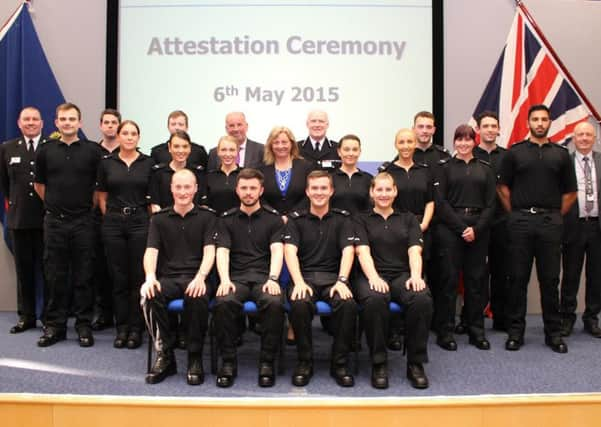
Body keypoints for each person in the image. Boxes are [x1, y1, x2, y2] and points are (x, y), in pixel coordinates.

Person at [498, 104, 577, 353]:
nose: (540, 123)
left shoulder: (561, 154)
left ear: (549, 122)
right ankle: (515, 333)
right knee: (518, 279)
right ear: (528, 122)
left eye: (544, 119)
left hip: (550, 224)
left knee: (550, 280)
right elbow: (502, 188)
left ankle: (553, 334)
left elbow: (570, 193)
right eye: (535, 119)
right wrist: (518, 213)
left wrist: (553, 215)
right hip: (520, 222)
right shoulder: (515, 153)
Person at [354, 172, 433, 389]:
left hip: (402, 275)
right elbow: (362, 253)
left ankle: (415, 363)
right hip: (371, 274)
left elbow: (414, 251)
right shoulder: (360, 219)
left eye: (388, 189)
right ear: (371, 192)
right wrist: (374, 277)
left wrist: (416, 276)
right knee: (375, 299)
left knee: (421, 298)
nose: (384, 194)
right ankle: (379, 363)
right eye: (379, 189)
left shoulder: (408, 219)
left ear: (395, 191)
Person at [34, 102, 103, 347]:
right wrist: (57, 206)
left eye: (72, 119)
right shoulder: (45, 150)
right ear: (56, 122)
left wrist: (83, 208)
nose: (68, 123)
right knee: (55, 275)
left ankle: (83, 325)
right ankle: (55, 326)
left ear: (80, 122)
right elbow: (40, 186)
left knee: (84, 275)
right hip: (54, 222)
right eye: (63, 119)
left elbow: (98, 189)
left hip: (83, 222)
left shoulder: (93, 151)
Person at [142, 169, 216, 385]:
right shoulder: (159, 219)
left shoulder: (208, 217)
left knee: (196, 297)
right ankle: (165, 355)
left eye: (187, 187)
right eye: (178, 187)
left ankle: (194, 358)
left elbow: (210, 251)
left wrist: (201, 277)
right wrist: (149, 277)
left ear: (195, 189)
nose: (183, 192)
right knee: (149, 294)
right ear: (171, 189)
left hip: (197, 277)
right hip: (169, 277)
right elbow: (151, 252)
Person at [213, 168, 285, 388]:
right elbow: (222, 251)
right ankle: (228, 362)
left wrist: (273, 279)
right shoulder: (225, 219)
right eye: (244, 188)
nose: (248, 192)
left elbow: (277, 251)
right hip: (237, 278)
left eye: (253, 188)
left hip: (264, 278)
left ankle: (267, 363)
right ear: (237, 190)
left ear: (261, 190)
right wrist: (225, 280)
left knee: (274, 303)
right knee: (224, 302)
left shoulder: (274, 220)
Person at [284, 170, 357, 387]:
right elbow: (290, 252)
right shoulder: (296, 220)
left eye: (323, 188)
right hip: (304, 278)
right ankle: (304, 361)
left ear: (331, 191)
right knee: (299, 304)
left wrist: (342, 281)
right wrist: (298, 282)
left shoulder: (343, 219)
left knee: (348, 304)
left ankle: (340, 364)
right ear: (307, 191)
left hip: (333, 279)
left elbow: (348, 251)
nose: (319, 192)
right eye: (314, 188)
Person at [434, 124, 496, 351]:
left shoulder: (485, 168)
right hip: (451, 229)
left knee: (476, 282)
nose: (463, 144)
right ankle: (446, 332)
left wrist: (476, 229)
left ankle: (476, 330)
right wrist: (461, 228)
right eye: (459, 140)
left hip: (478, 229)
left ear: (474, 141)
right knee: (448, 282)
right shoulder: (445, 167)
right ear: (454, 142)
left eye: (468, 140)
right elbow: (441, 203)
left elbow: (491, 204)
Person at [96, 120, 155, 349]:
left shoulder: (148, 163)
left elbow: (151, 198)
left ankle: (136, 329)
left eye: (134, 134)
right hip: (113, 222)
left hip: (140, 222)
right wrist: (111, 216)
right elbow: (101, 195)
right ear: (118, 137)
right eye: (125, 133)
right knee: (118, 277)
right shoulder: (107, 163)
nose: (129, 137)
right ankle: (121, 329)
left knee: (137, 277)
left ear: (138, 138)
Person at [380, 128, 435, 349]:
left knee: (416, 277)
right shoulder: (388, 171)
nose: (405, 145)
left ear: (415, 144)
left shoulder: (425, 170)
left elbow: (431, 201)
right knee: (394, 275)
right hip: (394, 228)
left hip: (421, 227)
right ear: (396, 144)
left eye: (409, 141)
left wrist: (423, 224)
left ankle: (412, 329)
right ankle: (393, 331)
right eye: (401, 141)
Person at [0, 106, 48, 333]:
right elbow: (4, 185)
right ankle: (26, 316)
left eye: (35, 119)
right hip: (19, 220)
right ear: (19, 123)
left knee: (48, 270)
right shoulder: (8, 148)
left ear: (42, 123)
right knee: (24, 270)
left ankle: (48, 315)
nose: (31, 122)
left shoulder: (51, 148)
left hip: (46, 219)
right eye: (26, 119)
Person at [560, 122, 601, 338]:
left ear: (594, 138)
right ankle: (567, 318)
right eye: (580, 135)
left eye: (588, 134)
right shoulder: (564, 162)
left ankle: (591, 318)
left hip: (596, 226)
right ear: (573, 138)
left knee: (596, 275)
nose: (584, 138)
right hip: (573, 225)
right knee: (571, 274)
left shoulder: (600, 160)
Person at [473, 111, 509, 332]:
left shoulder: (507, 157)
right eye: (485, 126)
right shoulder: (469, 155)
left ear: (498, 129)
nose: (489, 130)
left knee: (501, 270)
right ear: (478, 130)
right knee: (475, 273)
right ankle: (473, 319)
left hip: (502, 222)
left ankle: (500, 317)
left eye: (493, 126)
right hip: (476, 222)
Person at [91, 108, 122, 332]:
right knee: (101, 266)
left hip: (123, 218)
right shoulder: (92, 151)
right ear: (101, 125)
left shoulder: (128, 150)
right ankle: (103, 312)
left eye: (114, 122)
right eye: (107, 122)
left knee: (120, 269)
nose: (110, 126)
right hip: (97, 217)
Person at [260, 126, 314, 216]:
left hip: (300, 219)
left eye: (284, 142)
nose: (280, 146)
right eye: (276, 143)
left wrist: (293, 215)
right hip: (271, 221)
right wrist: (275, 216)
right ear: (270, 146)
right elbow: (260, 197)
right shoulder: (262, 170)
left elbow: (310, 194)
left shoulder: (306, 167)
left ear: (292, 144)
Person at [149, 130, 204, 213]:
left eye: (185, 146)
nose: (181, 151)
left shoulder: (198, 173)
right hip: (165, 222)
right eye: (176, 146)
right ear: (169, 147)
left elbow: (202, 204)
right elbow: (155, 206)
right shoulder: (158, 173)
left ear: (190, 148)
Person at [330, 134, 372, 215]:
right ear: (339, 152)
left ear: (360, 152)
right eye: (346, 149)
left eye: (355, 149)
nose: (351, 153)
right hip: (336, 226)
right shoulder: (329, 178)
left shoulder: (368, 179)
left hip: (361, 226)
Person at [200, 135, 241, 215]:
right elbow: (204, 205)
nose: (228, 154)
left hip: (239, 223)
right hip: (215, 223)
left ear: (238, 151)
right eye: (223, 150)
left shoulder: (246, 176)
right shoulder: (209, 177)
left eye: (232, 150)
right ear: (218, 152)